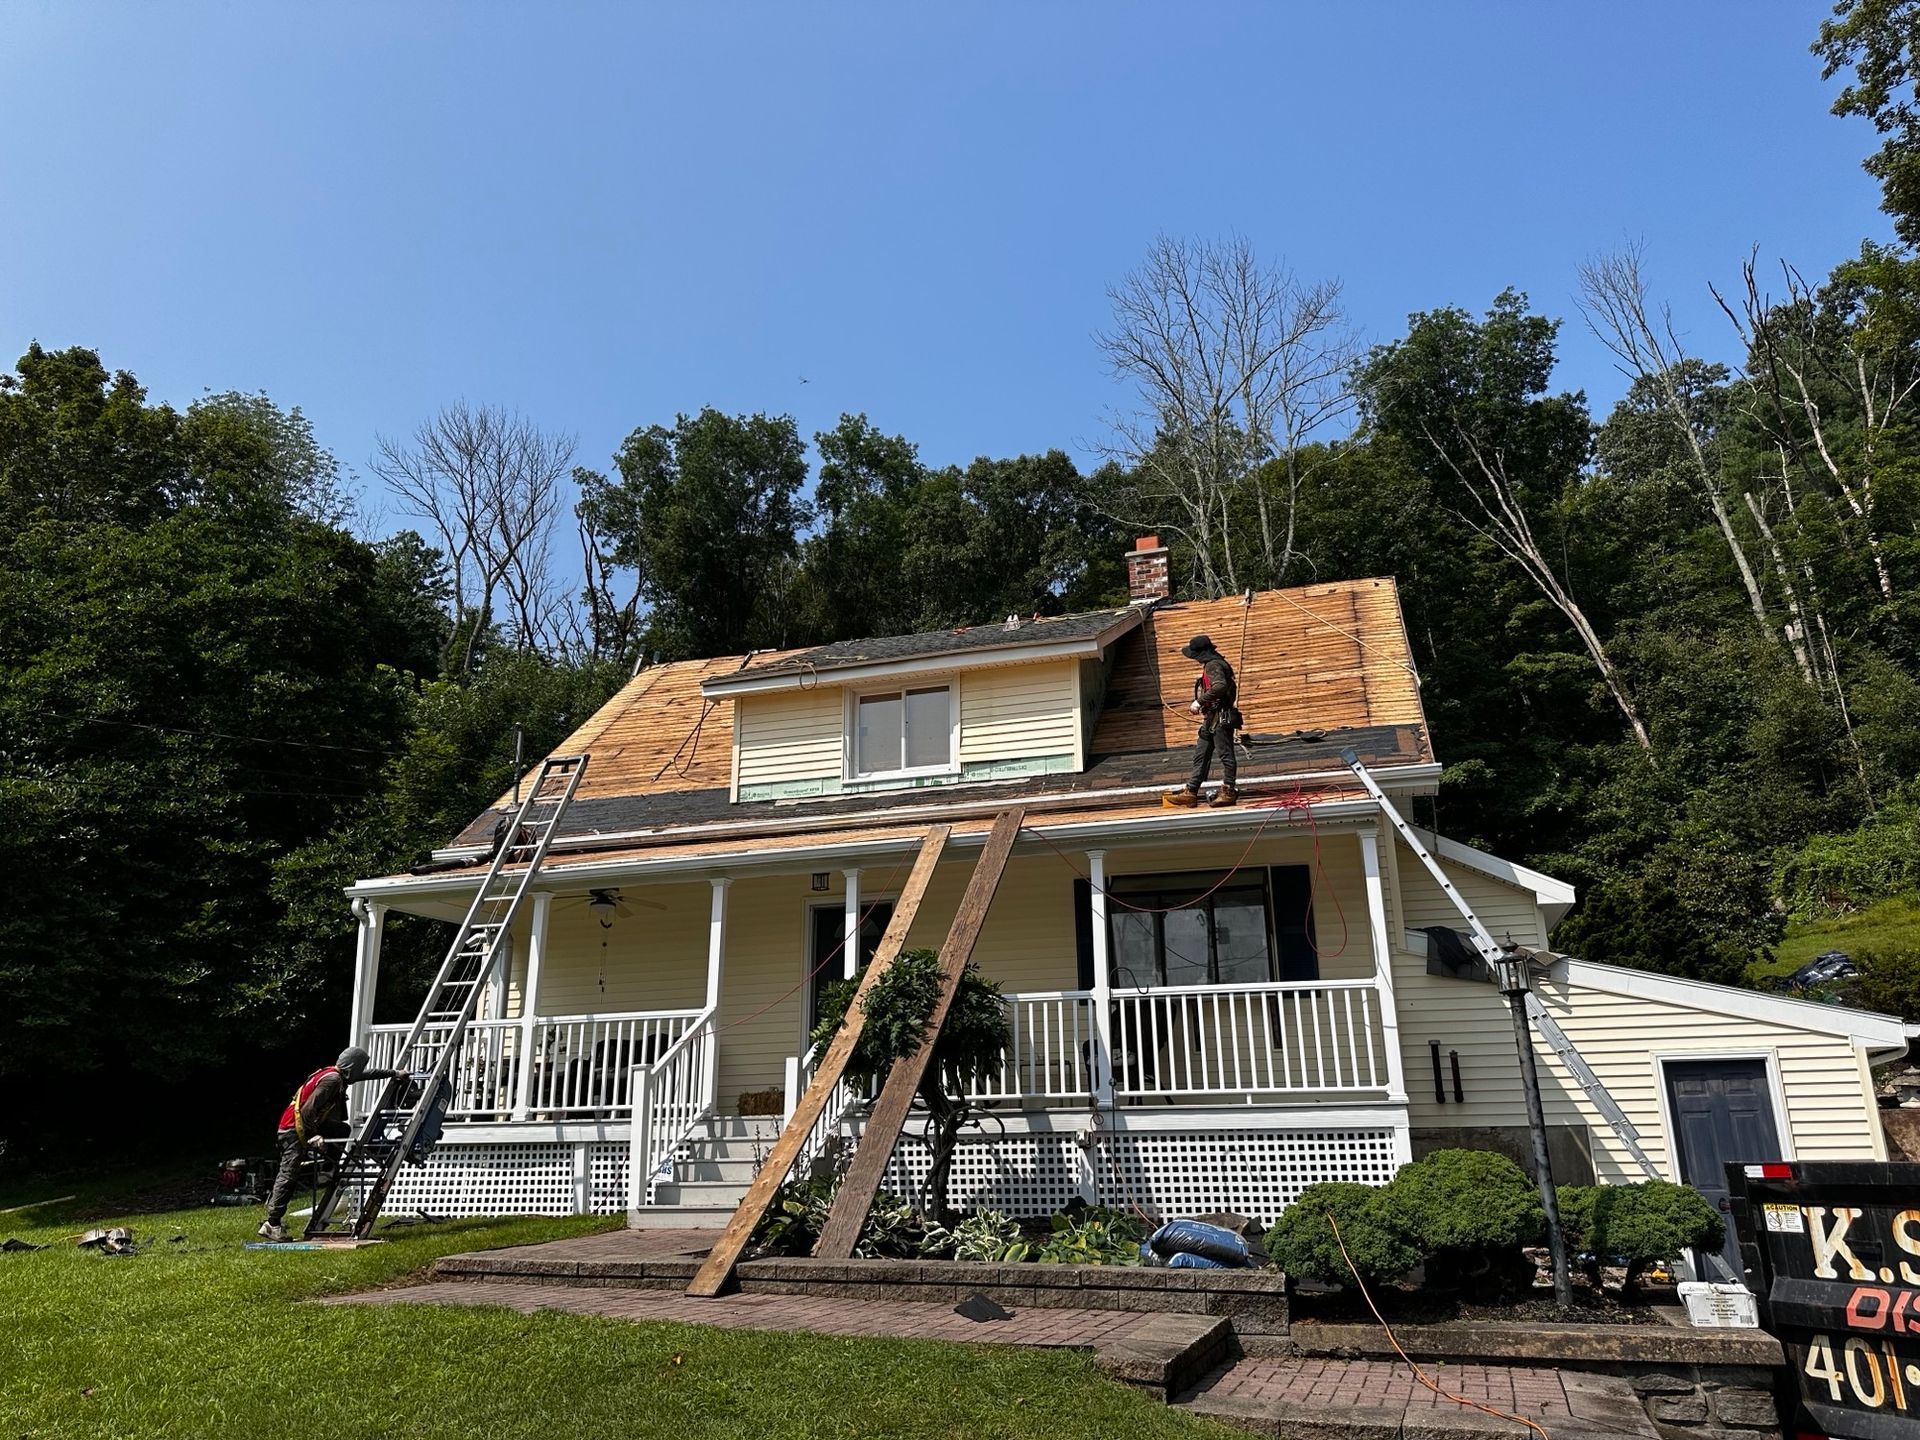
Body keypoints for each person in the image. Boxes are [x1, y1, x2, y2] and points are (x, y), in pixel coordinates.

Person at [258, 1046, 398, 1242]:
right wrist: (315, 1136)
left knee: (342, 1130)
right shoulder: (333, 1080)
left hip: (300, 1125)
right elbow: (308, 1111)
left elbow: (366, 1075)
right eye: (361, 1066)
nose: (361, 1070)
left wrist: (394, 1073)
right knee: (289, 1174)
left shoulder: (335, 1072)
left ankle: (329, 1170)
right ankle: (272, 1223)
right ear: (353, 1065)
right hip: (293, 1129)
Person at [1164, 633, 1239, 808]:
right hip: (1211, 718)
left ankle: (1228, 790)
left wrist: (1199, 701)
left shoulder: (1213, 665)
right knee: (1201, 754)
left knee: (1225, 755)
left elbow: (1220, 686)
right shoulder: (1212, 663)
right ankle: (1191, 791)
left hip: (1221, 717)